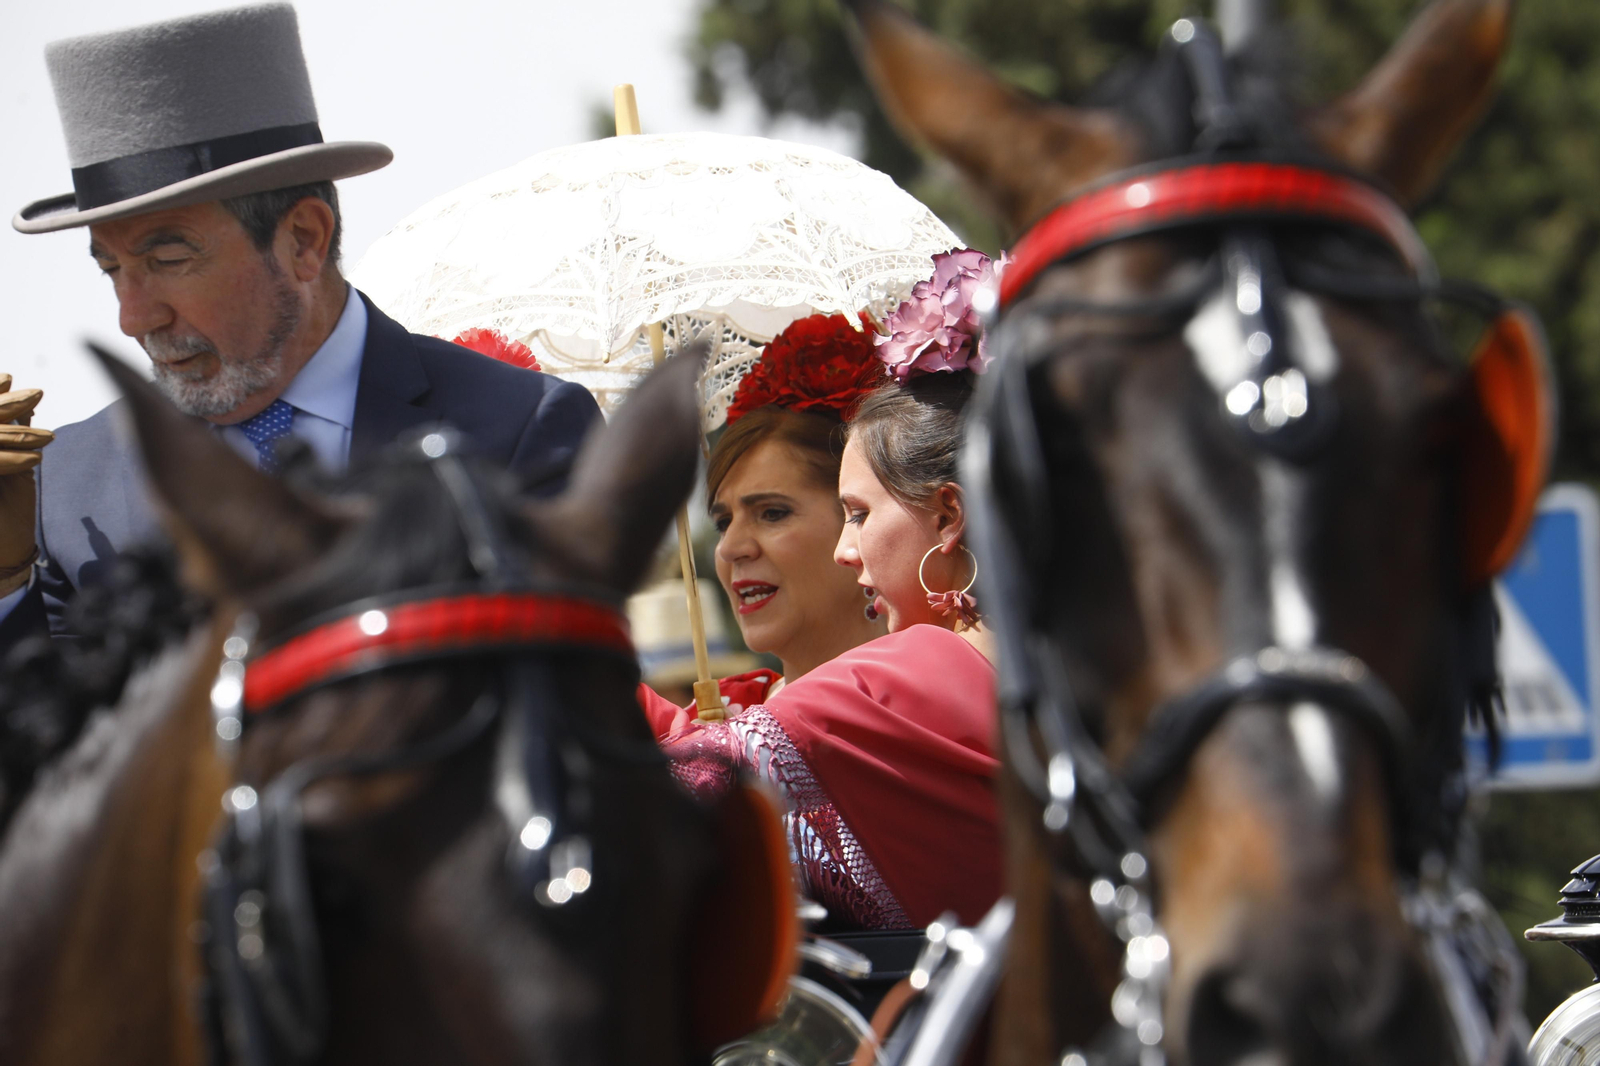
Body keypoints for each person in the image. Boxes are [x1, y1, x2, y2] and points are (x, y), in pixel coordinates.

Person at [0, 3, 600, 651]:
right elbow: (46, 712)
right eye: (111, 270)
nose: (133, 318)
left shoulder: (518, 431)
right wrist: (6, 581)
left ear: (305, 240)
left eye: (168, 260)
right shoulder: (63, 488)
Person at [641, 251, 1003, 932]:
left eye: (857, 515)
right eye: (723, 520)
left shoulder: (923, 668)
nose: (846, 548)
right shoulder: (1033, 657)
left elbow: (674, 788)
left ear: (947, 516)